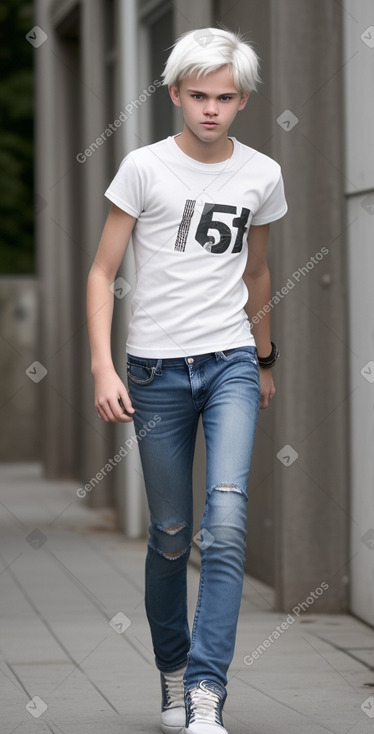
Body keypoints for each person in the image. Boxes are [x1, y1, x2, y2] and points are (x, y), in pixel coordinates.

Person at [86, 26, 288, 734]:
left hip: (230, 359)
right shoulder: (143, 167)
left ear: (242, 100)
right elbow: (102, 273)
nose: (210, 109)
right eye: (197, 96)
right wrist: (104, 366)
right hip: (155, 372)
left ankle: (206, 691)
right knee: (172, 534)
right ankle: (172, 676)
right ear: (174, 94)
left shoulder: (261, 173)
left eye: (224, 97)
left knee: (225, 525)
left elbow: (256, 273)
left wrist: (262, 361)